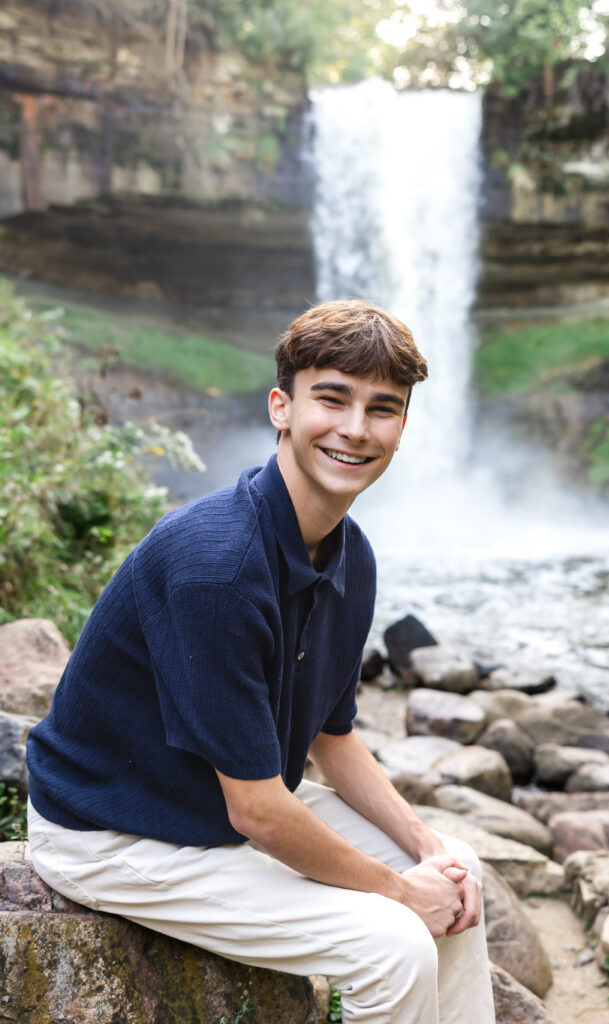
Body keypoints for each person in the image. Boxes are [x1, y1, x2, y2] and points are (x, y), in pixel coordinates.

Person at [26, 299, 496, 1024]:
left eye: (382, 409)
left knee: (458, 874)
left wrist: (429, 851)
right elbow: (259, 811)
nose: (354, 428)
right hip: (118, 833)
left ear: (402, 426)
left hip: (217, 806)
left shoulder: (350, 554)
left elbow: (331, 740)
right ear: (281, 406)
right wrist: (402, 892)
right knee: (394, 942)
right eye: (331, 399)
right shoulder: (217, 567)